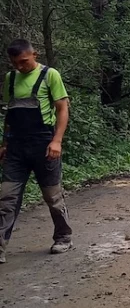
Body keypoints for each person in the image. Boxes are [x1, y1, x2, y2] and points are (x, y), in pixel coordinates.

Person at [0, 39, 72, 263]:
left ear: (35, 55)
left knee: (52, 196)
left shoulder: (50, 75)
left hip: (44, 145)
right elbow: (9, 115)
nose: (20, 67)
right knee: (6, 197)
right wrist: (4, 143)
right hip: (16, 148)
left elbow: (62, 108)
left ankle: (63, 237)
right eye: (15, 63)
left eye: (24, 62)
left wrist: (57, 141)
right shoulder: (10, 79)